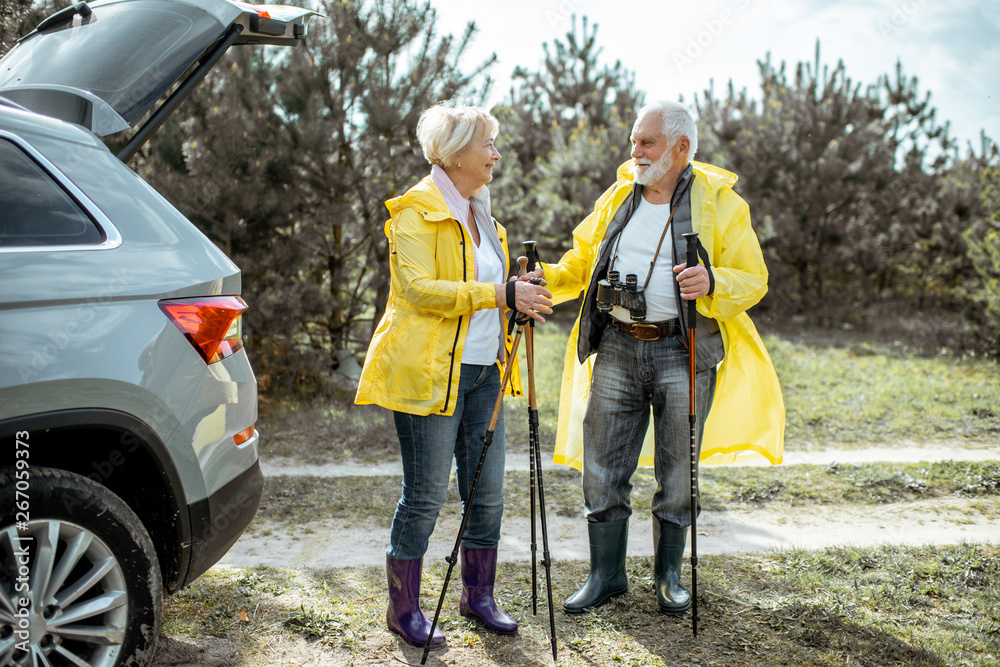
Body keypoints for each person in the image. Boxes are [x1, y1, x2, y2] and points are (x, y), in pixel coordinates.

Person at [535, 100, 784, 615]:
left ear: (681, 147)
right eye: (634, 141)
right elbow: (582, 259)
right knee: (602, 467)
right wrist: (547, 281)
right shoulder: (618, 196)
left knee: (678, 472)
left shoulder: (722, 203)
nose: (635, 151)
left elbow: (754, 277)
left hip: (683, 349)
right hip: (619, 347)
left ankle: (668, 576)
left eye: (646, 142)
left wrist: (714, 281)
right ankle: (606, 576)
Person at [355, 104, 553, 648]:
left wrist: (520, 295)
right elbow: (420, 291)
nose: (496, 153)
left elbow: (490, 292)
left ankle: (478, 596)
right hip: (430, 374)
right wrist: (499, 293)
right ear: (455, 152)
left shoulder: (484, 216)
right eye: (488, 143)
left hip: (486, 371)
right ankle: (404, 610)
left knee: (486, 494)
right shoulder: (417, 211)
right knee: (424, 495)